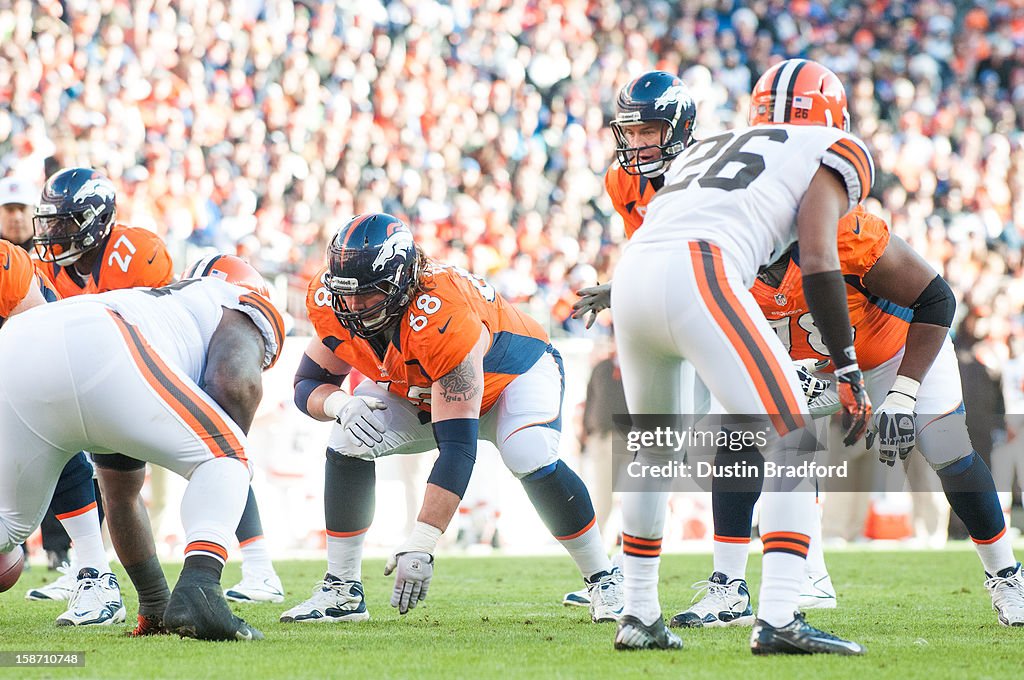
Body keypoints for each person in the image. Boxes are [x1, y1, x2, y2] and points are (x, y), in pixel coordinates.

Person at [609, 58, 873, 655]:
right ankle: (780, 615)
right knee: (792, 438)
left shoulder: (720, 141)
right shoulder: (838, 145)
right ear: (833, 111)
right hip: (700, 271)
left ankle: (639, 612)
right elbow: (818, 253)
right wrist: (848, 364)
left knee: (651, 449)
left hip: (634, 276)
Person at [672, 204, 1024, 629]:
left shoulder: (844, 234)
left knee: (945, 446)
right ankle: (733, 586)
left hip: (890, 356)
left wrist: (902, 394)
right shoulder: (715, 256)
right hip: (809, 369)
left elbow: (936, 299)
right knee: (744, 434)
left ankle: (1006, 576)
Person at [280, 213, 623, 624]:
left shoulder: (441, 313)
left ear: (402, 281)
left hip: (515, 374)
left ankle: (604, 577)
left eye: (369, 294)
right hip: (424, 386)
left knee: (527, 452)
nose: (353, 307)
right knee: (348, 437)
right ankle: (342, 590)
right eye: (347, 294)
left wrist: (423, 541)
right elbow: (308, 381)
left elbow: (458, 447)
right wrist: (340, 405)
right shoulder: (336, 298)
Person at [30, 168, 283, 633]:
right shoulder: (48, 265)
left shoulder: (137, 252)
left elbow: (163, 317)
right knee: (214, 458)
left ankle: (215, 579)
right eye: (51, 222)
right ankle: (177, 592)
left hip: (115, 370)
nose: (54, 233)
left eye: (66, 223)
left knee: (185, 467)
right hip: (118, 372)